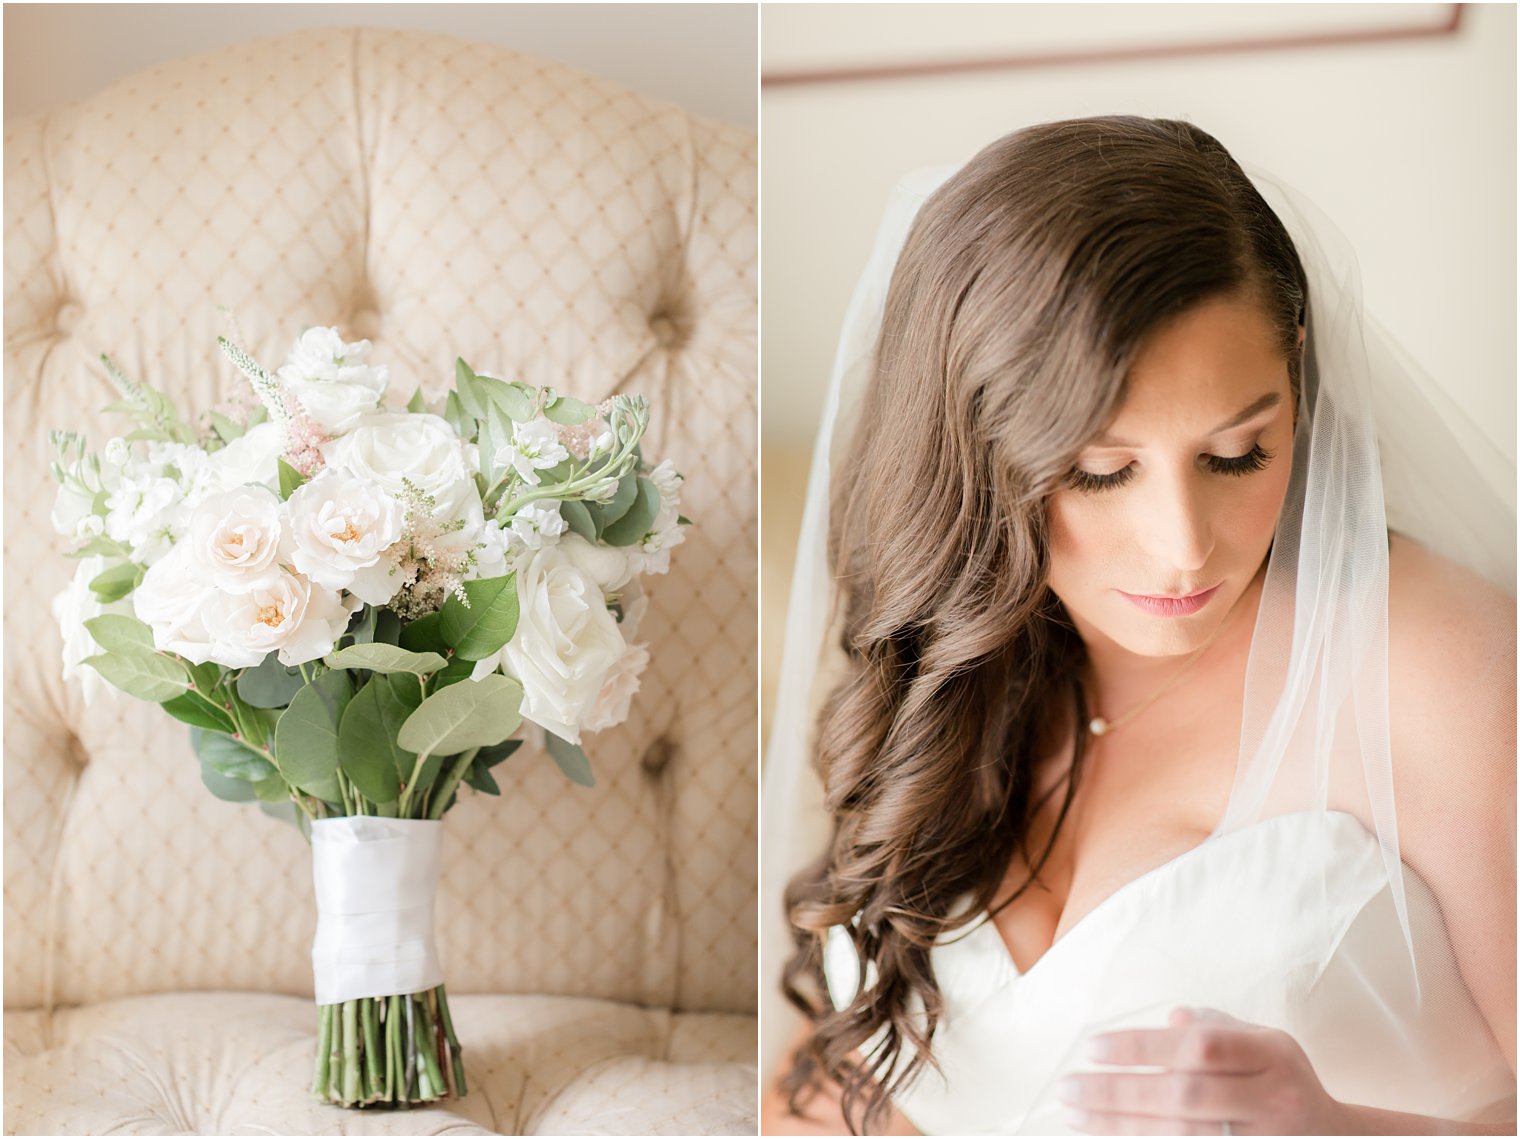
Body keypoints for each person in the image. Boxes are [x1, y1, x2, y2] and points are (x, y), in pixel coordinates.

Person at [761, 117, 1515, 1136]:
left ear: (1298, 375)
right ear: (980, 452)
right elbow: (827, 1080)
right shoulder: (950, 664)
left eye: (1238, 453)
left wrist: (1343, 1128)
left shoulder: (1441, 668)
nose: (1182, 547)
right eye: (1100, 470)